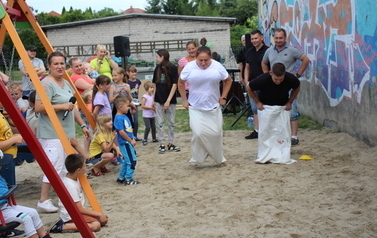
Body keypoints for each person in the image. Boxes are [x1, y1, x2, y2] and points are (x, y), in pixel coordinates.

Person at [34, 51, 90, 213]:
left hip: (66, 132)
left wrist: (82, 125)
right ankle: (43, 200)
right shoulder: (46, 83)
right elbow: (38, 107)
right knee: (55, 166)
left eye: (62, 63)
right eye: (56, 64)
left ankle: (66, 199)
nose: (59, 67)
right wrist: (60, 106)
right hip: (51, 133)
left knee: (66, 168)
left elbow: (72, 107)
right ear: (49, 66)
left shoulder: (65, 83)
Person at [178, 46, 232, 164]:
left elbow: (228, 81)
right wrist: (184, 100)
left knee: (216, 133)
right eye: (200, 60)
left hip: (213, 106)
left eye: (206, 60)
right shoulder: (189, 67)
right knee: (198, 133)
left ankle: (218, 157)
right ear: (196, 58)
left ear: (210, 58)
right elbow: (181, 83)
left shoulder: (217, 66)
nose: (203, 63)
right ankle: (198, 157)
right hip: (196, 106)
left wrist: (223, 97)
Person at [261, 28, 310, 145]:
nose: (278, 40)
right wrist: (267, 75)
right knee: (275, 110)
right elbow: (263, 62)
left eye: (280, 38)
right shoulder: (269, 51)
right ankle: (277, 134)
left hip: (287, 83)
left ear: (285, 38)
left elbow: (305, 59)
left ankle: (294, 137)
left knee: (291, 109)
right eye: (276, 38)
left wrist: (297, 74)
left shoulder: (292, 50)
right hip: (274, 84)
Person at [247, 63, 300, 164]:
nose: (278, 82)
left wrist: (290, 101)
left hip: (282, 106)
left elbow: (297, 87)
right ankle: (264, 154)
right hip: (266, 106)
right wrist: (257, 102)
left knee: (282, 131)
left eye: (281, 79)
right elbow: (248, 87)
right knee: (266, 131)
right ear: (271, 73)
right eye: (276, 79)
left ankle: (282, 154)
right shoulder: (262, 79)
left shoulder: (290, 79)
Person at [49, 154, 108, 233]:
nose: (86, 167)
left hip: (76, 211)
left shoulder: (71, 175)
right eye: (84, 165)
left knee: (103, 220)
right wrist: (99, 214)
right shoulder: (71, 186)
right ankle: (62, 226)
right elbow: (79, 209)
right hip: (71, 215)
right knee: (96, 225)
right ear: (78, 170)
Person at [0, 151, 52, 238]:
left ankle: (44, 236)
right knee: (25, 218)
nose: (2, 166)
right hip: (1, 211)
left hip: (6, 207)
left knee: (33, 212)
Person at [152, 49, 180, 154]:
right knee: (159, 122)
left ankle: (171, 142)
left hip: (170, 100)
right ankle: (161, 143)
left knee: (171, 122)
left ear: (162, 57)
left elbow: (174, 84)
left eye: (157, 56)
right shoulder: (157, 69)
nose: (156, 58)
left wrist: (168, 100)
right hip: (159, 99)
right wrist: (154, 99)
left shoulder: (172, 68)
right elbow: (155, 84)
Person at [243, 30, 269, 140]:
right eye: (252, 39)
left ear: (262, 38)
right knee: (254, 108)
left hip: (264, 84)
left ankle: (266, 130)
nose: (254, 41)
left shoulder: (268, 51)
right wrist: (246, 80)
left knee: (265, 107)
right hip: (252, 84)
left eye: (256, 38)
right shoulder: (249, 51)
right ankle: (257, 130)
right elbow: (247, 67)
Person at [114, 96, 140, 185]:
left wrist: (132, 138)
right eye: (127, 106)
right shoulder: (118, 118)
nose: (128, 108)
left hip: (128, 142)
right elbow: (121, 132)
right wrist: (130, 140)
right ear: (120, 106)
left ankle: (121, 177)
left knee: (127, 160)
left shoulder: (124, 116)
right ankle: (128, 179)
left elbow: (128, 130)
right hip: (125, 143)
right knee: (132, 161)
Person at [126, 65, 142, 140]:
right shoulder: (127, 82)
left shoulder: (138, 82)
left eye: (135, 72)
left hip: (135, 102)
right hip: (129, 102)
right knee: (129, 120)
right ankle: (130, 135)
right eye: (132, 72)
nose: (134, 74)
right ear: (128, 73)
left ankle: (135, 135)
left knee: (136, 120)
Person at [141, 81, 157, 146]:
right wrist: (150, 108)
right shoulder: (144, 96)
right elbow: (143, 105)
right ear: (147, 88)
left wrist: (154, 106)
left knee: (153, 127)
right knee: (148, 127)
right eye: (151, 87)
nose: (152, 89)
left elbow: (153, 104)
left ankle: (154, 138)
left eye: (153, 87)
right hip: (146, 115)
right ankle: (145, 139)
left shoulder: (153, 96)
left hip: (152, 114)